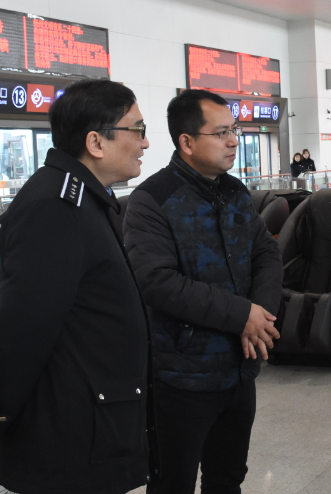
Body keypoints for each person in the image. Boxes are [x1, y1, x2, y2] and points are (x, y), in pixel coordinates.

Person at [0, 80, 152, 494]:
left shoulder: (84, 198)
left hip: (94, 419)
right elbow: (24, 326)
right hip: (70, 436)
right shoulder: (55, 207)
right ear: (96, 142)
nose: (144, 142)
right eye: (137, 129)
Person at [123, 89, 283, 493]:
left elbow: (266, 254)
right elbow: (158, 282)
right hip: (182, 378)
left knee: (227, 479)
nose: (233, 141)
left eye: (234, 131)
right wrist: (241, 315)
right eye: (221, 132)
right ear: (187, 142)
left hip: (240, 370)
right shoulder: (152, 201)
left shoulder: (235, 192)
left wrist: (259, 316)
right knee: (172, 483)